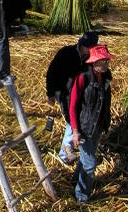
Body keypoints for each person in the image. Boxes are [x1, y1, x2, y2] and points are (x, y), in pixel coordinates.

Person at [69, 44, 114, 203]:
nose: (106, 64)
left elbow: (105, 102)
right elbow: (73, 105)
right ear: (94, 62)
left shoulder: (106, 76)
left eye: (107, 61)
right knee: (90, 164)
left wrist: (105, 123)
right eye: (103, 61)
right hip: (84, 128)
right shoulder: (83, 77)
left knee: (86, 158)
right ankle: (81, 196)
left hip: (98, 127)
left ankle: (75, 181)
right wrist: (75, 131)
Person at [46, 31, 99, 164]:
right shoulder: (66, 53)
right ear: (82, 44)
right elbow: (51, 72)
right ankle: (65, 153)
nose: (88, 50)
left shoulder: (90, 58)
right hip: (63, 92)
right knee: (72, 118)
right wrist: (50, 93)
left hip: (80, 93)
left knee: (77, 117)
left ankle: (68, 150)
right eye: (87, 47)